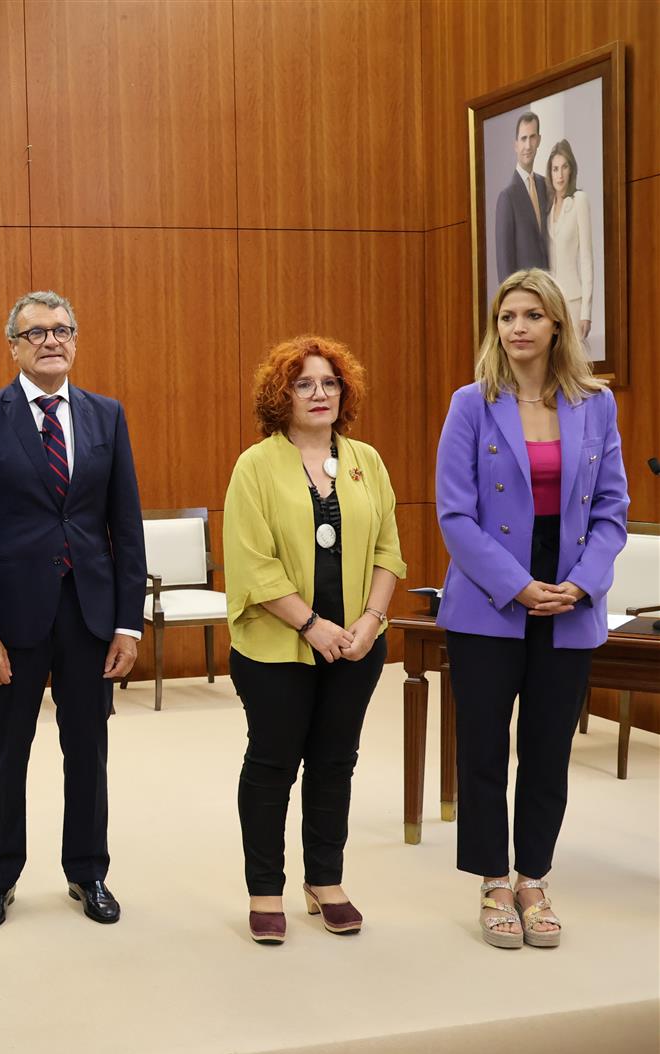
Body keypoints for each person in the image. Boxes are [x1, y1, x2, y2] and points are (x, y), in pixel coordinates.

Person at [435, 268, 627, 949]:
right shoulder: (471, 403)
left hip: (570, 596)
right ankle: (492, 881)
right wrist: (516, 585)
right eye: (506, 316)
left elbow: (612, 512)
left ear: (556, 327)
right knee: (484, 748)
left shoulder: (594, 406)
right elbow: (455, 515)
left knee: (547, 751)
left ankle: (534, 879)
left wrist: (582, 583)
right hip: (491, 598)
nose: (516, 327)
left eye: (530, 315)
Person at [0, 290, 145, 931]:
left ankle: (87, 872)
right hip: (11, 621)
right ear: (14, 346)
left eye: (62, 330)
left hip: (89, 615)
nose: (51, 341)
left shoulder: (106, 416)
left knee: (88, 748)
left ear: (76, 340)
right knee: (8, 750)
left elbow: (125, 526)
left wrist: (126, 622)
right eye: (36, 333)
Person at [222, 335, 405, 945]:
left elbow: (387, 550)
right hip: (276, 648)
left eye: (329, 383)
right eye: (304, 383)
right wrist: (310, 624)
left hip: (355, 646)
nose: (319, 393)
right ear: (283, 395)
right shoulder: (256, 465)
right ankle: (265, 888)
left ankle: (325, 882)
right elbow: (252, 565)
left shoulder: (366, 461)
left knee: (335, 762)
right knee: (273, 764)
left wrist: (371, 622)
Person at [546, 139, 594, 341]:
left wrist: (586, 313)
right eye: (555, 168)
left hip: (573, 301)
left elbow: (586, 259)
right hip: (549, 302)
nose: (560, 174)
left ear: (571, 170)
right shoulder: (547, 208)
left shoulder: (579, 201)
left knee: (572, 367)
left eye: (564, 167)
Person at [495, 111, 551, 282]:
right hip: (525, 297)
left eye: (532, 137)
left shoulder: (546, 186)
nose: (528, 146)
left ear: (539, 140)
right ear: (516, 145)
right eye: (523, 139)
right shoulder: (507, 198)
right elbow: (504, 267)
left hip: (550, 292)